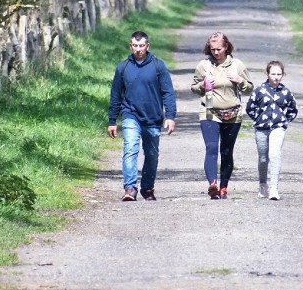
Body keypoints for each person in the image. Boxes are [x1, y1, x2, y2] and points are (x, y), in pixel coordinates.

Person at [108, 30, 176, 202]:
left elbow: (168, 92)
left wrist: (170, 116)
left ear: (147, 46)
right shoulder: (123, 67)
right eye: (135, 46)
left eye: (141, 46)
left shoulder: (158, 66)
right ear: (130, 46)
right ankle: (130, 188)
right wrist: (112, 120)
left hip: (153, 117)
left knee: (151, 155)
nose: (138, 49)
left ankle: (147, 188)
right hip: (130, 115)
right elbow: (116, 95)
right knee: (130, 149)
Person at [191, 32, 254, 199]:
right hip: (209, 112)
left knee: (226, 151)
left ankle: (224, 187)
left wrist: (240, 81)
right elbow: (194, 87)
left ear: (226, 47)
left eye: (219, 49)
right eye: (212, 49)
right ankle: (213, 184)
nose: (216, 52)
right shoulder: (203, 66)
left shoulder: (237, 65)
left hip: (232, 114)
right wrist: (203, 85)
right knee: (211, 148)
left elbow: (249, 88)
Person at [245, 60, 298, 201]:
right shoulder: (260, 91)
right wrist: (258, 118)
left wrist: (284, 121)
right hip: (261, 128)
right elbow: (249, 107)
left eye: (279, 74)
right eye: (273, 74)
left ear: (282, 75)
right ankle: (263, 185)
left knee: (275, 154)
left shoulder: (285, 92)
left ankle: (274, 187)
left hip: (278, 127)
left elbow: (293, 109)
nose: (276, 77)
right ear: (267, 74)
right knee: (263, 158)